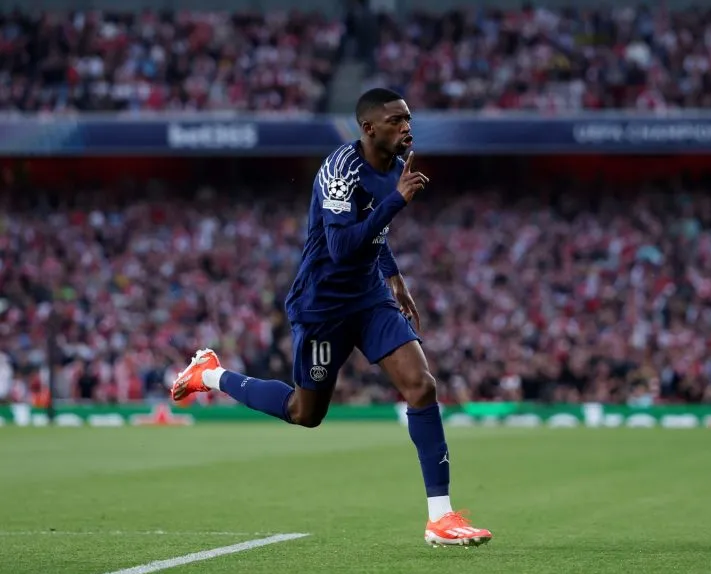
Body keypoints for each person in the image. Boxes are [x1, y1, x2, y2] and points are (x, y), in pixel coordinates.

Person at [170, 88, 493, 548]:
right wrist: (397, 200)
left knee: (421, 385)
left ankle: (440, 518)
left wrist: (394, 276)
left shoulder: (397, 166)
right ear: (369, 129)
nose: (407, 127)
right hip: (322, 306)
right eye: (397, 120)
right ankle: (212, 374)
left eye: (408, 118)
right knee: (306, 412)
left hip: (368, 298)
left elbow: (374, 234)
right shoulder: (340, 173)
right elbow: (342, 248)